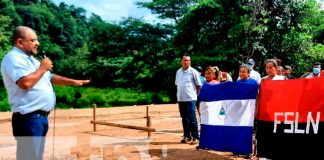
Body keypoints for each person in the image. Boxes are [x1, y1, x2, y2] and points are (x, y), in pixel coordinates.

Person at [0, 26, 91, 160]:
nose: (38, 43)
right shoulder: (13, 58)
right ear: (20, 42)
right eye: (33, 40)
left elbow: (50, 77)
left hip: (39, 118)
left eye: (36, 40)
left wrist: (73, 81)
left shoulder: (31, 59)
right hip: (29, 118)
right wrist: (42, 68)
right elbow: (25, 83)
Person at [175, 54, 201, 145]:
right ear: (181, 61)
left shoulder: (193, 71)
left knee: (192, 118)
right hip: (181, 98)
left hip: (190, 99)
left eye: (188, 60)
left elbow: (198, 85)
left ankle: (195, 137)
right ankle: (187, 136)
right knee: (184, 118)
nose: (186, 62)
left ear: (190, 62)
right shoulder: (178, 72)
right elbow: (178, 85)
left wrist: (194, 95)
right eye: (185, 60)